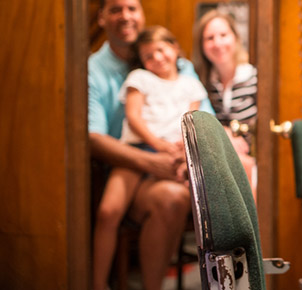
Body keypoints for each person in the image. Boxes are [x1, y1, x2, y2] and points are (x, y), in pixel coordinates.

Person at [88, 1, 214, 289]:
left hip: (171, 162)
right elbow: (94, 137)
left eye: (132, 8)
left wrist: (184, 154)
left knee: (176, 195)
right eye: (116, 9)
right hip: (129, 161)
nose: (126, 16)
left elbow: (201, 120)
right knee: (109, 211)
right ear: (102, 18)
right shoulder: (98, 71)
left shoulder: (183, 72)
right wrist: (153, 154)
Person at [193, 10, 257, 196]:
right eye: (210, 38)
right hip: (218, 161)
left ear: (235, 38)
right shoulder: (202, 83)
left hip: (254, 161)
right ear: (202, 46)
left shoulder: (253, 77)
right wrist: (225, 131)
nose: (218, 43)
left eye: (223, 35)